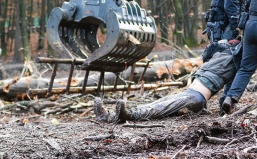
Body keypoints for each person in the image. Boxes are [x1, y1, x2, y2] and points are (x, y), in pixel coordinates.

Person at [94, 38, 243, 123]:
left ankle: (128, 116)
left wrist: (224, 107)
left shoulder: (237, 61)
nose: (233, 42)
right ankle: (107, 117)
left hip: (196, 99)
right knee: (156, 103)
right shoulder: (222, 51)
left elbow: (232, 87)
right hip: (189, 92)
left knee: (160, 108)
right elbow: (210, 50)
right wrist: (227, 42)